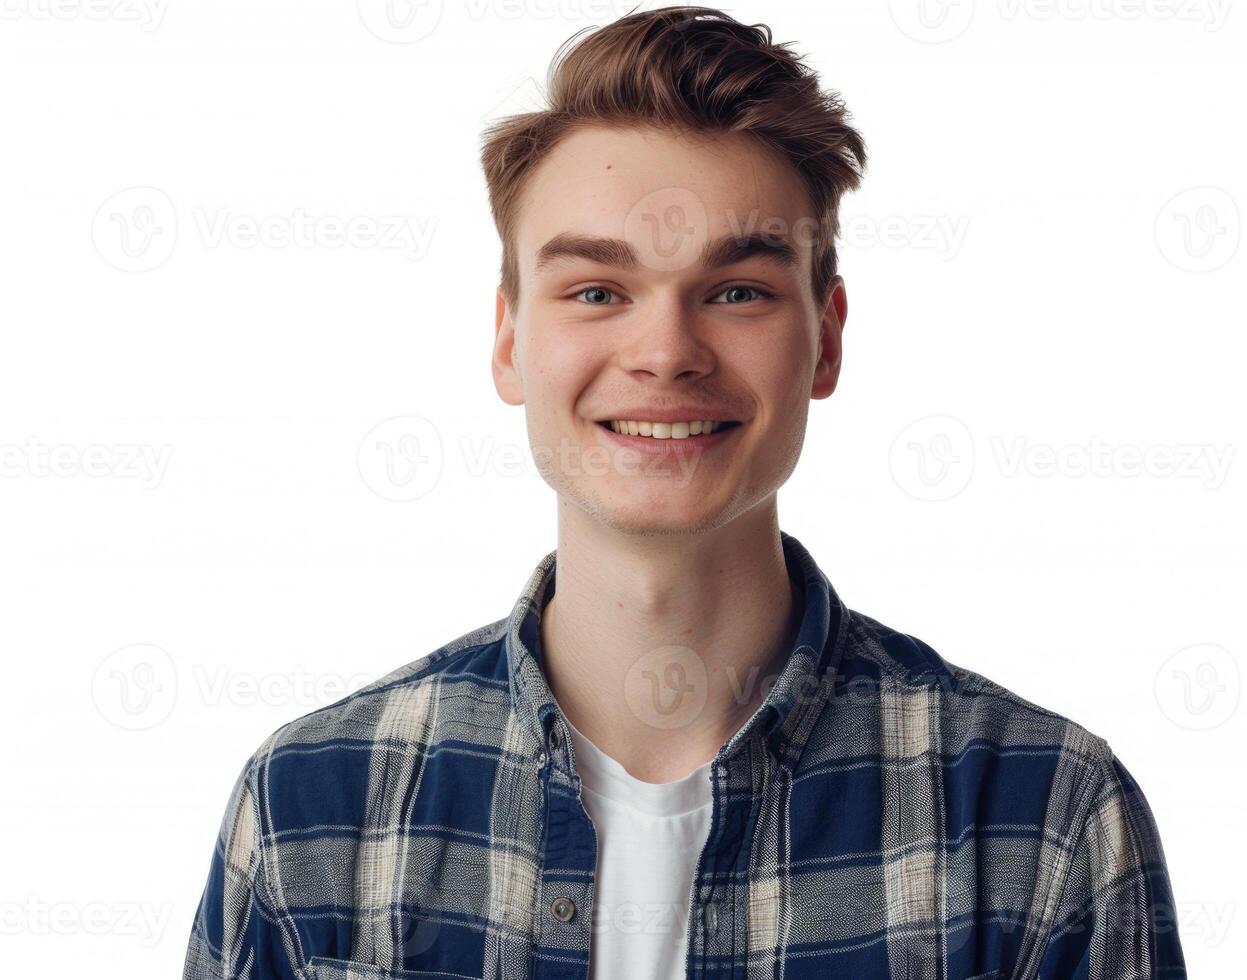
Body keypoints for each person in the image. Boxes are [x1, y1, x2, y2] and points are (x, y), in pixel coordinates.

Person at [183, 7, 1186, 978]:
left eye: (737, 290)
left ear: (827, 337)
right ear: (508, 340)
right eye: (596, 291)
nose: (665, 351)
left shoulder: (1045, 819)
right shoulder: (310, 809)